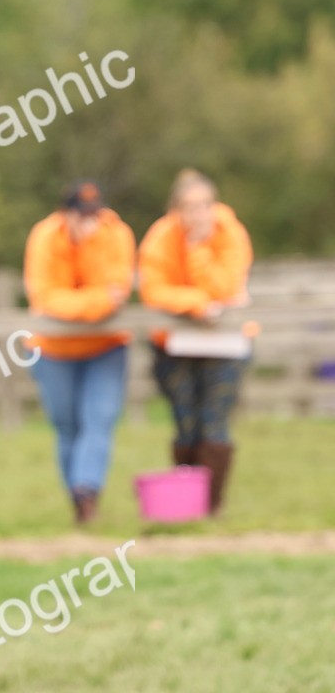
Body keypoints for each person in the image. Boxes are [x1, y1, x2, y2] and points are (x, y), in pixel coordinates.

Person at [139, 169, 253, 516]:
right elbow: (153, 290)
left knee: (214, 420)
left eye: (205, 205)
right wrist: (196, 305)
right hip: (174, 345)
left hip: (226, 345)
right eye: (190, 206)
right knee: (186, 421)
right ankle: (186, 503)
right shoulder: (160, 238)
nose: (198, 214)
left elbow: (226, 286)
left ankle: (212, 505)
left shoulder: (230, 233)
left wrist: (199, 249)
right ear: (175, 209)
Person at [24, 181, 135, 524]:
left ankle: (87, 492)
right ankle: (77, 496)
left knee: (98, 419)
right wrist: (95, 303)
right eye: (81, 215)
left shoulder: (115, 235)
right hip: (54, 350)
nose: (89, 222)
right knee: (67, 426)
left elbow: (116, 292)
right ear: (65, 214)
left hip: (106, 345)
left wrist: (80, 305)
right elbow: (45, 296)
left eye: (94, 214)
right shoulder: (44, 237)